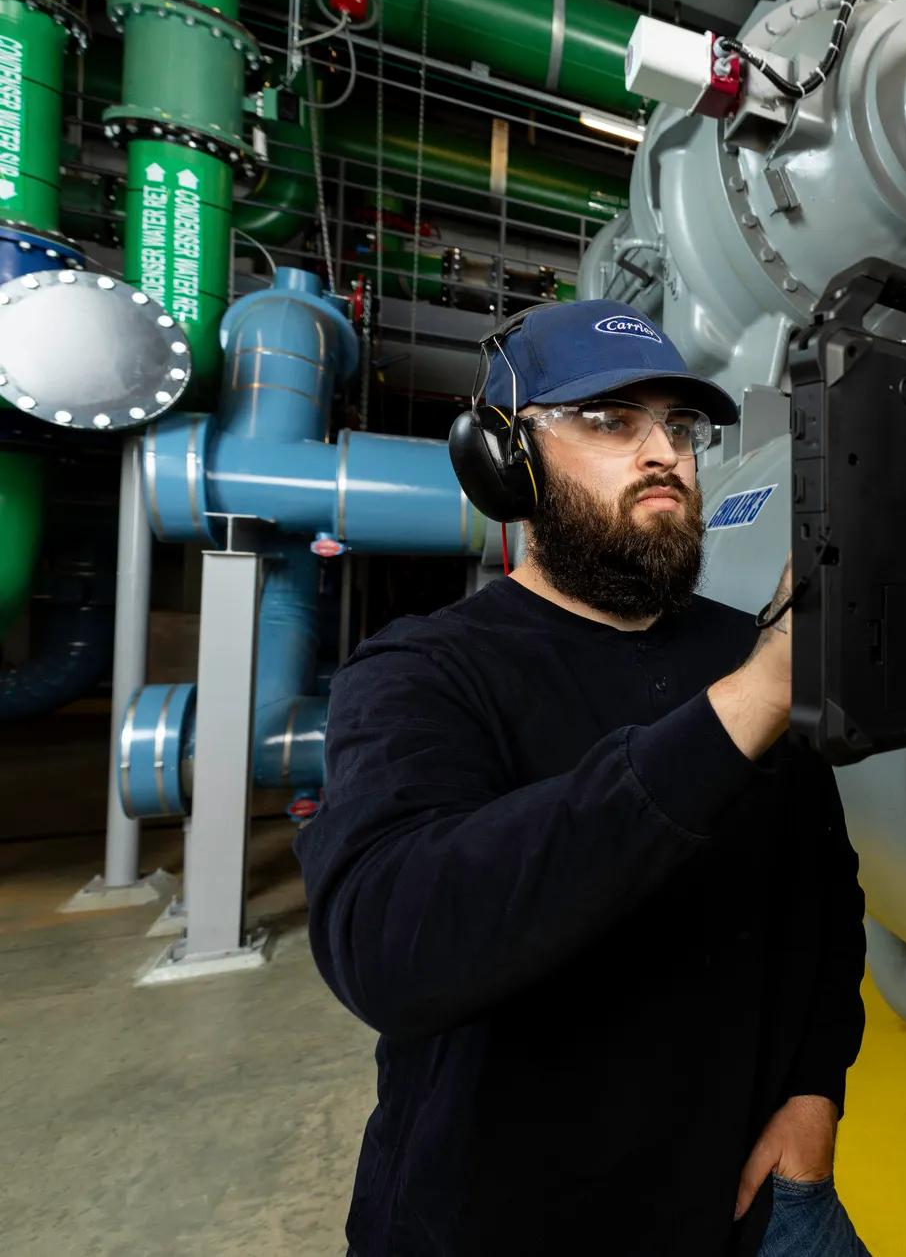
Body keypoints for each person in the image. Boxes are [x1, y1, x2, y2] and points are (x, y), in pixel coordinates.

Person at [296, 299, 869, 1256]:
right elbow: (389, 945)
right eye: (609, 421)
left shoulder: (749, 654)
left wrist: (815, 1095)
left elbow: (826, 897)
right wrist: (753, 701)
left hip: (758, 1211)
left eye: (679, 427)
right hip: (501, 1222)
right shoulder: (423, 674)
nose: (665, 454)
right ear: (505, 462)